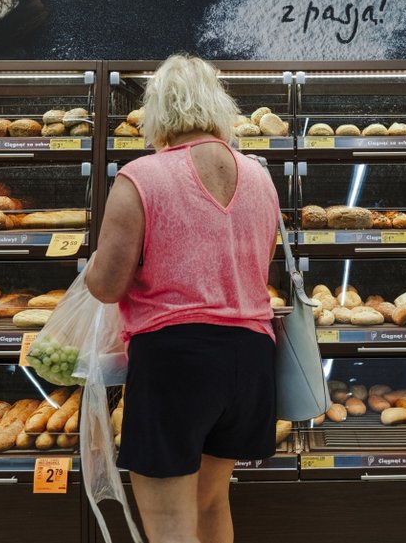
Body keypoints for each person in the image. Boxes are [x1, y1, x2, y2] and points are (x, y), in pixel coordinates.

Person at [85, 54, 280, 543]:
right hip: (251, 357)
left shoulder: (143, 176)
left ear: (158, 112)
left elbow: (107, 285)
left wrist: (90, 265)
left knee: (170, 526)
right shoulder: (259, 176)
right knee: (212, 504)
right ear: (218, 105)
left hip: (178, 361)